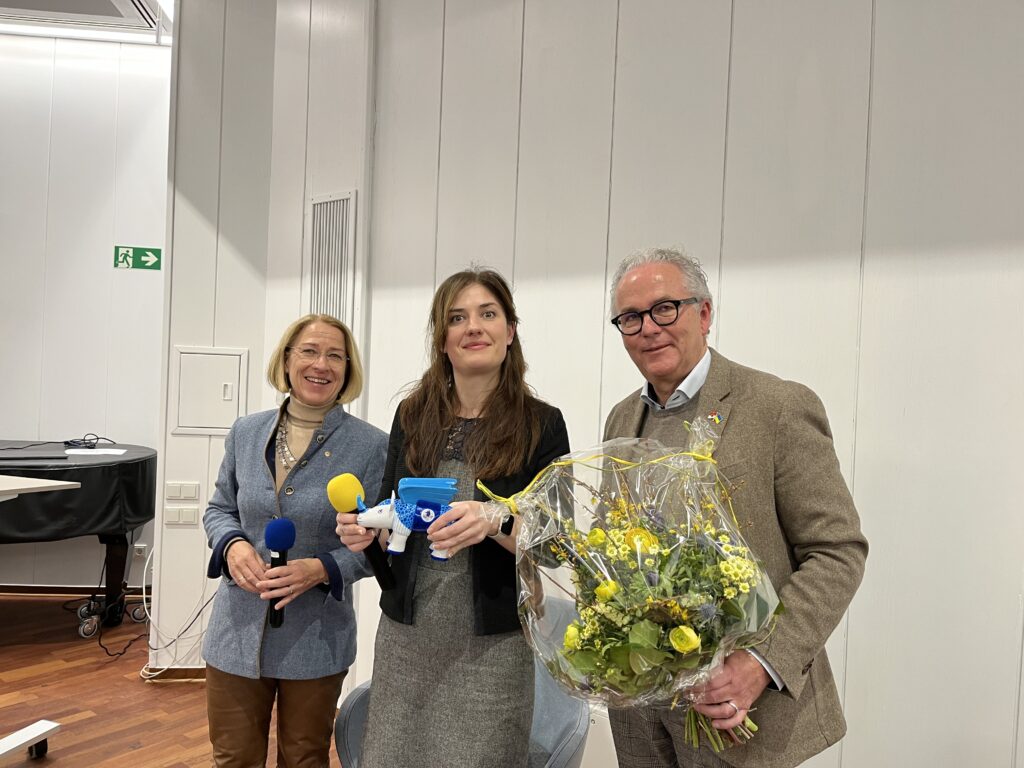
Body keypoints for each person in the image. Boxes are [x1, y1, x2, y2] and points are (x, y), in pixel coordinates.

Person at [603, 248, 868, 768]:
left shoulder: (777, 406)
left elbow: (838, 552)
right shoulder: (620, 419)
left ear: (704, 313)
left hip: (747, 716)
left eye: (664, 308)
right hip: (644, 722)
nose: (648, 328)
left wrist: (760, 662)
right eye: (630, 318)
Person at [336, 267, 570, 768]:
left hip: (493, 649)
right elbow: (390, 520)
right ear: (442, 339)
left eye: (488, 314)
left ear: (510, 331)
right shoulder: (411, 415)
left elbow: (555, 544)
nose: (473, 327)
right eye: (457, 318)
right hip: (406, 641)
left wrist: (494, 519)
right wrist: (364, 532)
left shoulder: (542, 424)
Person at [202, 313, 387, 768]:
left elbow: (379, 545)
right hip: (236, 629)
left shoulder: (371, 446)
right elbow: (219, 509)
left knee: (304, 758)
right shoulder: (246, 432)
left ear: (347, 369)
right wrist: (233, 545)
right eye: (309, 351)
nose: (321, 364)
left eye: (335, 356)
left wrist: (322, 568)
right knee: (232, 759)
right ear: (286, 360)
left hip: (317, 635)